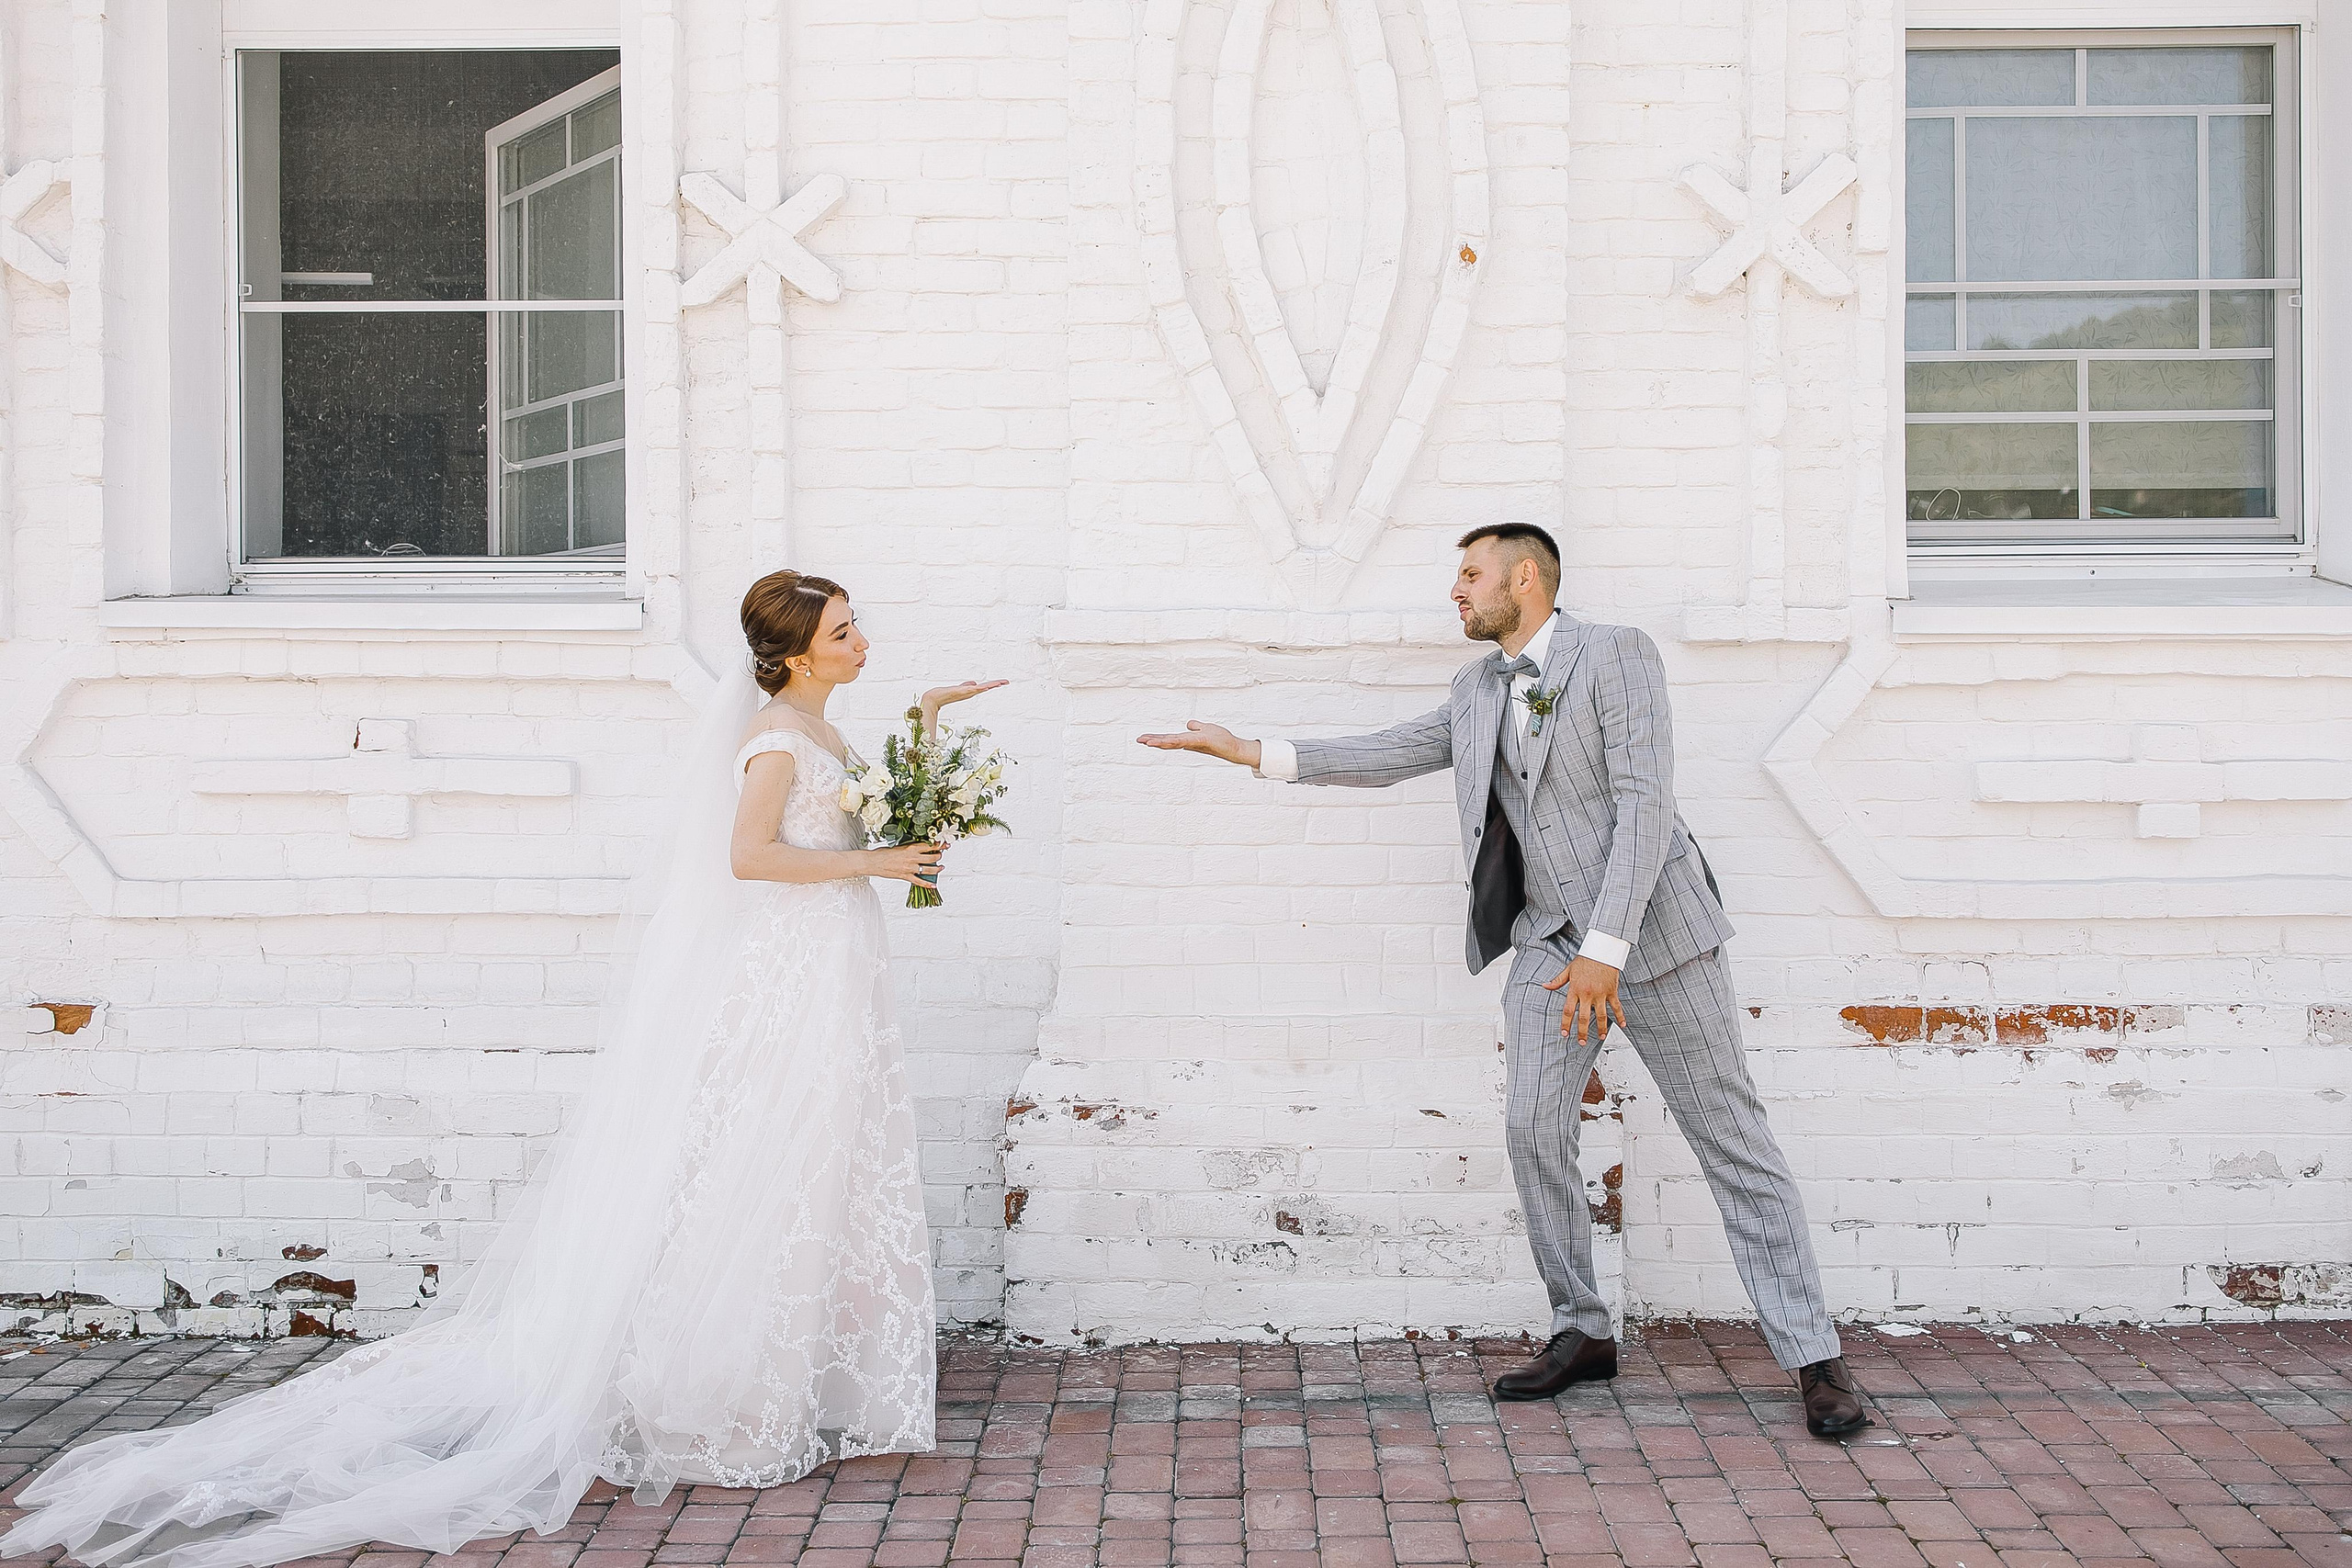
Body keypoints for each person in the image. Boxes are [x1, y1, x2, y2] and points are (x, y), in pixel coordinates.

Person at [3, 570, 1002, 1567]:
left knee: (819, 1158)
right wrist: (870, 867)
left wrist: (919, 723)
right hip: (789, 969)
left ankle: (797, 1372)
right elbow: (748, 858)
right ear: (794, 652)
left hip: (832, 961)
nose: (860, 637)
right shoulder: (774, 738)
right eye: (844, 628)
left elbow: (859, 815)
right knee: (762, 1160)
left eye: (855, 623)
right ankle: (725, 1383)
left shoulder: (820, 728)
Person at [1137, 525, 1868, 1438]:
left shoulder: (1616, 654)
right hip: (1550, 946)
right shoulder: (1474, 689)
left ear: (1525, 577)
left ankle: (1813, 1359)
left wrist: (1608, 947)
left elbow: (1646, 802)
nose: (1456, 590)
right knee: (1530, 1127)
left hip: (1656, 940)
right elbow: (1387, 752)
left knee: (1731, 1144)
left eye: (1469, 573)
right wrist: (1252, 751)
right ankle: (1580, 1329)